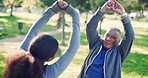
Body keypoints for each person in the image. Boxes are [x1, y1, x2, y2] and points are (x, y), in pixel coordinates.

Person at [3, 0, 80, 78]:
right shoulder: (47, 74)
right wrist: (74, 14)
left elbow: (32, 33)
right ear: (50, 58)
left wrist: (52, 10)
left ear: (32, 45)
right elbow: (73, 47)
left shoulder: (18, 60)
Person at [78, 0, 134, 78]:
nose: (108, 39)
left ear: (118, 41)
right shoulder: (96, 43)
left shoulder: (119, 52)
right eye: (107, 35)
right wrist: (103, 10)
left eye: (113, 37)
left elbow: (130, 36)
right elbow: (90, 27)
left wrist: (123, 14)